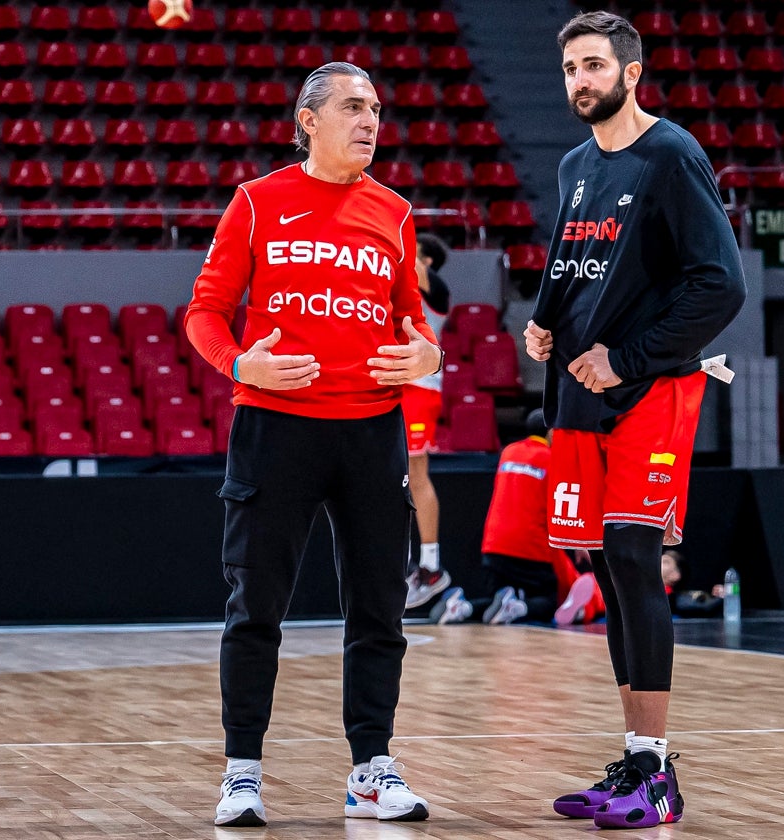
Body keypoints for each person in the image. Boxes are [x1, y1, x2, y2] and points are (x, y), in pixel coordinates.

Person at [184, 62, 442, 828]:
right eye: (354, 108)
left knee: (379, 611)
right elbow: (203, 312)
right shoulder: (257, 203)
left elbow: (415, 327)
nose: (370, 121)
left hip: (371, 431)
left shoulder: (394, 213)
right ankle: (242, 774)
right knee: (255, 608)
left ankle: (371, 770)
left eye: (376, 110)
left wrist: (427, 356)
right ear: (309, 120)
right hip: (275, 427)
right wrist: (241, 363)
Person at [525, 11, 746, 830]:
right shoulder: (577, 164)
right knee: (612, 571)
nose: (581, 80)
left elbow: (719, 286)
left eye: (594, 65)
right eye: (571, 69)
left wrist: (628, 355)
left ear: (631, 70)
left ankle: (656, 776)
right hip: (581, 395)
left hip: (650, 388)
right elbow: (570, 258)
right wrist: (544, 322)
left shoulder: (671, 155)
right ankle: (637, 758)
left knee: (631, 553)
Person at [430, 408, 579, 625]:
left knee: (495, 601)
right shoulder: (552, 458)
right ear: (552, 432)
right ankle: (518, 607)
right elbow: (559, 506)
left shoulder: (508, 452)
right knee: (550, 600)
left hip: (493, 546)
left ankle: (462, 606)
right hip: (531, 549)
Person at [404, 233, 452, 609]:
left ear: (429, 261)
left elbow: (409, 261)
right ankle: (408, 563)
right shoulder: (404, 285)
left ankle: (432, 566)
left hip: (420, 388)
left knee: (417, 474)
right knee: (396, 477)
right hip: (399, 384)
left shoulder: (435, 287)